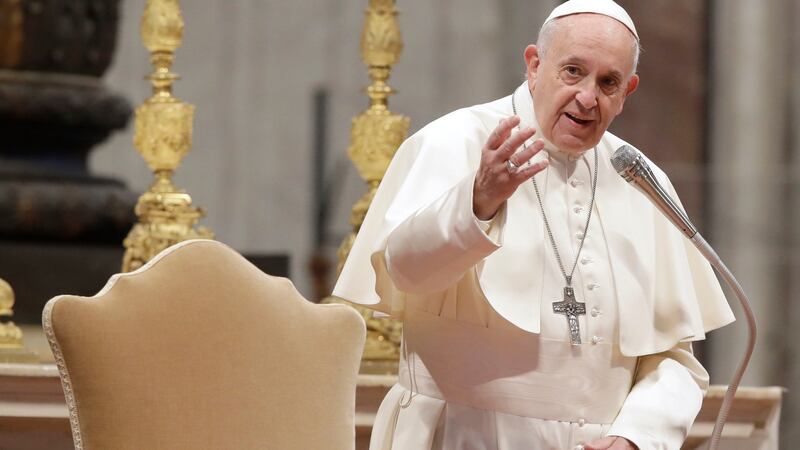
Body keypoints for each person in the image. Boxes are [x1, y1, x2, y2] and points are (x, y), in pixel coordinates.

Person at [333, 1, 734, 449]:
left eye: (608, 82)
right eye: (573, 71)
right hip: (463, 435)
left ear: (627, 92)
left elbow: (675, 357)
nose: (587, 97)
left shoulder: (640, 180)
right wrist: (478, 201)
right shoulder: (455, 141)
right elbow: (404, 271)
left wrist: (637, 436)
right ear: (534, 65)